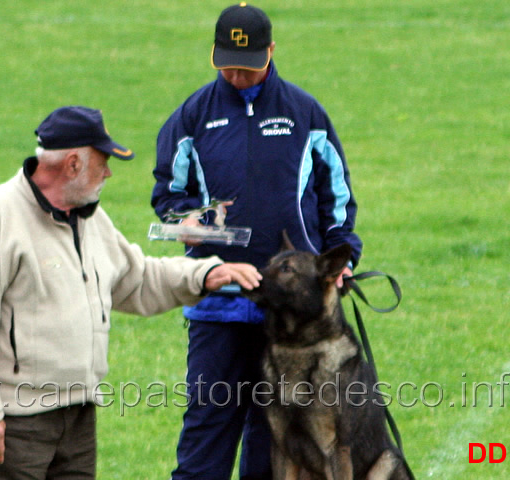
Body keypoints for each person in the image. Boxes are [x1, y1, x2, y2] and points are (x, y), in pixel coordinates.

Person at [0, 105, 262, 480]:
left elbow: (137, 279)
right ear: (74, 164)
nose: (109, 172)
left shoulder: (90, 218)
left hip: (78, 417)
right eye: (103, 162)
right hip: (16, 421)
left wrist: (205, 274)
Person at [151, 3, 363, 479]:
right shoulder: (191, 117)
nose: (236, 74)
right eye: (226, 64)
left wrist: (343, 255)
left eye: (247, 66)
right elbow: (168, 194)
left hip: (291, 313)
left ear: (271, 51)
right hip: (218, 302)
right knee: (208, 421)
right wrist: (190, 221)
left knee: (275, 435)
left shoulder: (305, 114)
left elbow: (337, 196)